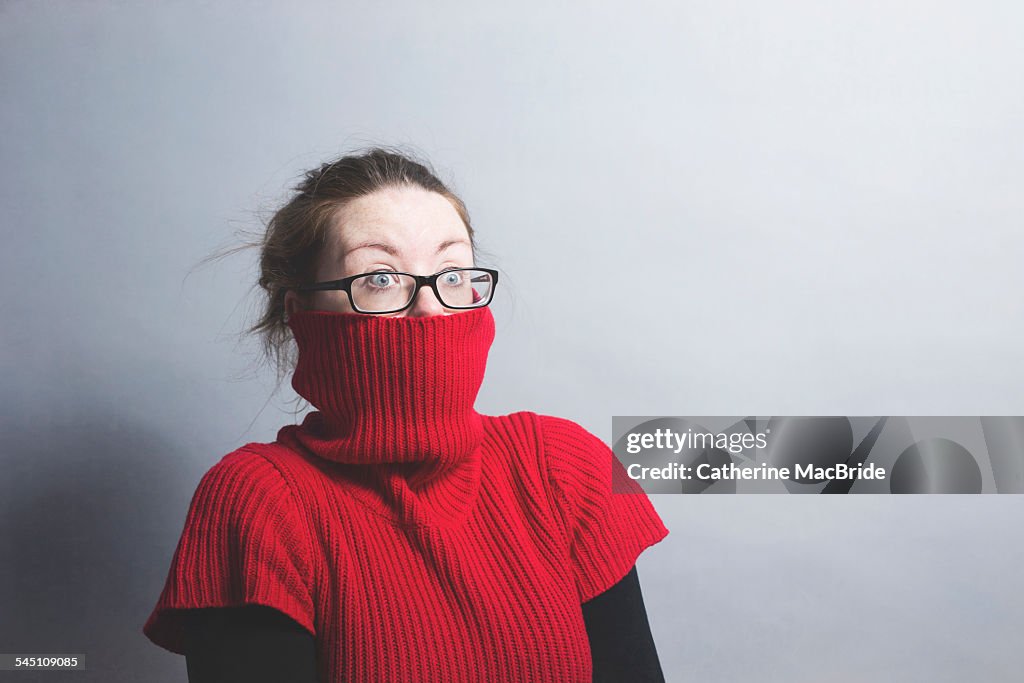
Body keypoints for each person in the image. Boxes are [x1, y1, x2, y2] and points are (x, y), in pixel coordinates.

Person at [142, 147, 670, 682]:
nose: (431, 308)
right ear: (301, 311)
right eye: (380, 278)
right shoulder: (259, 502)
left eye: (453, 272)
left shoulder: (563, 465)